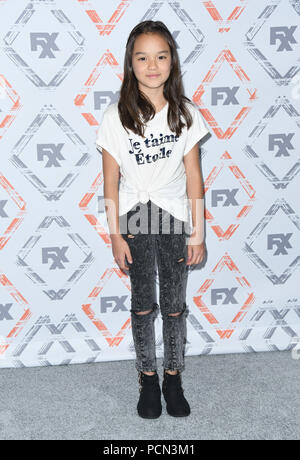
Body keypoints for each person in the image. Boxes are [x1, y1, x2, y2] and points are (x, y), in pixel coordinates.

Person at [96, 20, 209, 419]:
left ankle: (173, 377)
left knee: (174, 305)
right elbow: (110, 182)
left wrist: (198, 233)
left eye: (161, 56)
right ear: (130, 63)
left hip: (176, 216)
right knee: (143, 304)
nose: (152, 65)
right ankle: (147, 377)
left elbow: (195, 177)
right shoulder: (116, 116)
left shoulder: (185, 113)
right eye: (142, 57)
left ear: (172, 62)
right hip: (134, 218)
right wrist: (114, 233)